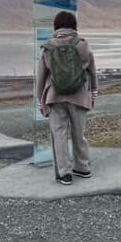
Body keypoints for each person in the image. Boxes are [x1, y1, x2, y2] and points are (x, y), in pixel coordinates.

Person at [36, 11, 98, 185]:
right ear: (74, 26)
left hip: (54, 97)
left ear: (56, 26)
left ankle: (64, 173)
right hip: (80, 96)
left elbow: (41, 76)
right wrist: (93, 93)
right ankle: (83, 167)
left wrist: (40, 100)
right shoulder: (83, 45)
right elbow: (92, 72)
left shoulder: (47, 47)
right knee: (79, 133)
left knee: (59, 135)